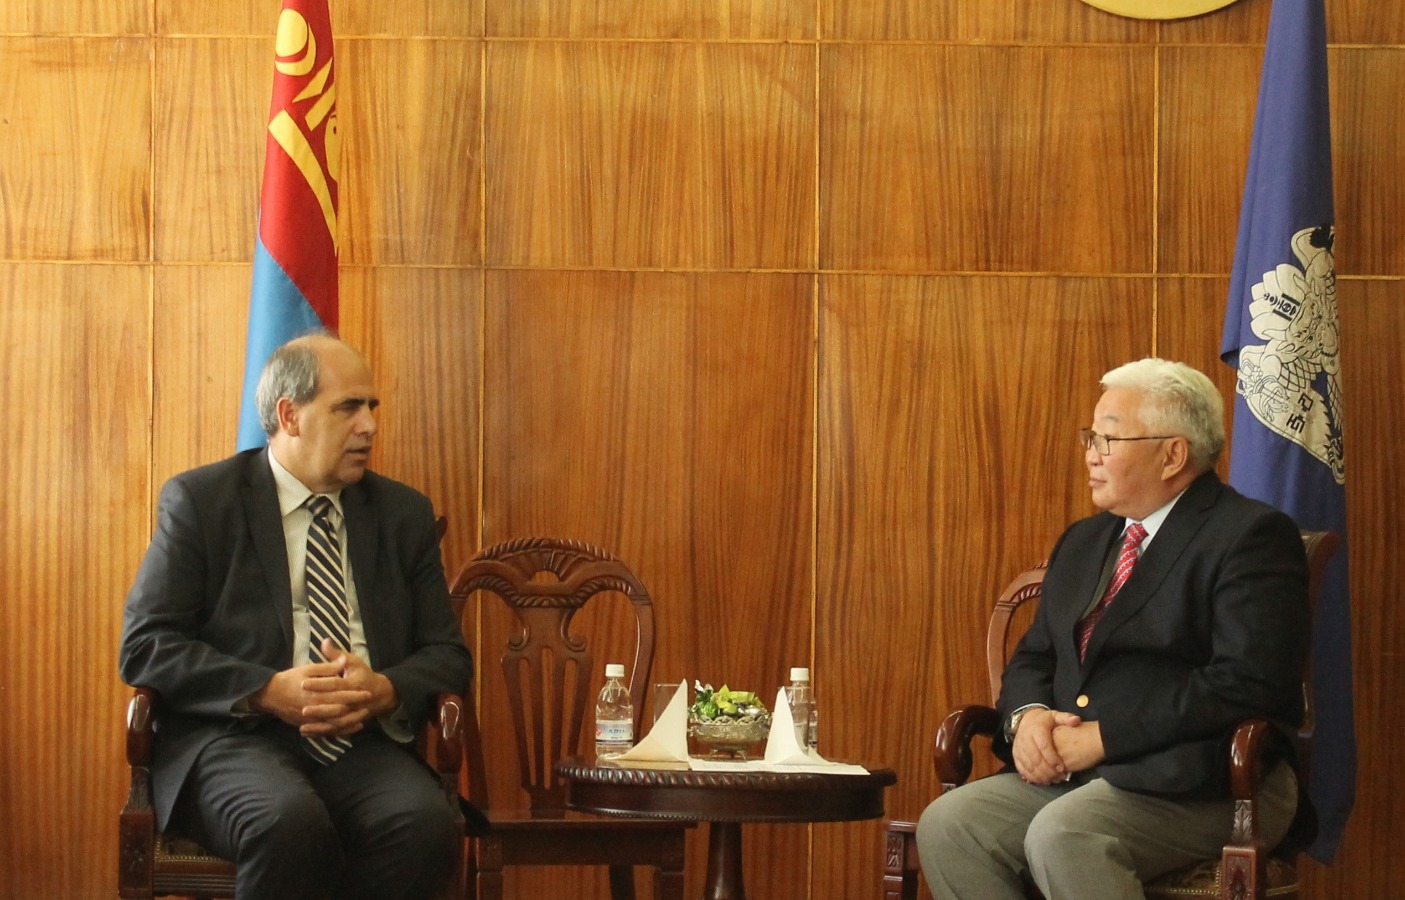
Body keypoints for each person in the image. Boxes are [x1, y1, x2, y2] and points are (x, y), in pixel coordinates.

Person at [916, 358, 1312, 899]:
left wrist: (1105, 738)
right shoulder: (1084, 540)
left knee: (1066, 835)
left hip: (1209, 781)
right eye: (1091, 437)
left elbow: (1247, 682)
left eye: (1108, 438)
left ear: (1172, 455)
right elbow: (1036, 655)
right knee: (952, 826)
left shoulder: (1250, 536)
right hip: (1078, 777)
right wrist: (1028, 719)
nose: (1091, 454)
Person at [120, 333, 474, 900]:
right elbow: (145, 645)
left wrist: (385, 690)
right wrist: (265, 691)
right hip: (235, 740)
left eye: (371, 407)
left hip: (360, 745)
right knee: (286, 822)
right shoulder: (202, 502)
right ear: (290, 415)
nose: (369, 426)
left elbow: (447, 654)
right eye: (348, 407)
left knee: (424, 826)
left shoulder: (402, 514)